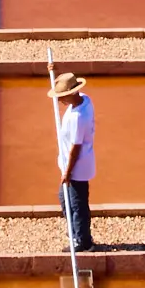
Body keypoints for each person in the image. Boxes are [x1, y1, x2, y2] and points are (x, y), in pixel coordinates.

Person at [51, 72, 95, 252]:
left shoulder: (78, 118)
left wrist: (67, 173)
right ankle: (75, 231)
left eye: (62, 96)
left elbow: (75, 149)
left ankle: (83, 241)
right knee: (64, 198)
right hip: (70, 164)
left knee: (77, 205)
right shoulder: (85, 98)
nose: (60, 100)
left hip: (76, 167)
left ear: (71, 94)